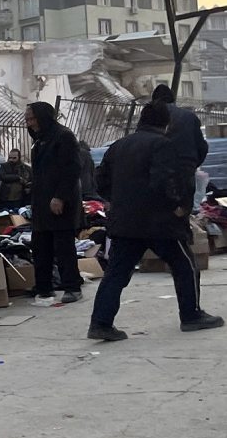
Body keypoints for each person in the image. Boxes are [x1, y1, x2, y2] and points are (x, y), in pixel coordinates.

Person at [87, 101, 223, 341]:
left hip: (125, 222)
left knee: (116, 273)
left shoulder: (118, 146)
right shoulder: (163, 145)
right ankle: (191, 315)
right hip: (160, 223)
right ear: (166, 123)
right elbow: (165, 181)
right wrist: (178, 206)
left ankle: (100, 323)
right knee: (184, 266)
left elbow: (101, 181)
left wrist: (118, 201)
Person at [26, 102, 84, 305]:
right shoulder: (39, 140)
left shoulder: (63, 136)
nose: (29, 123)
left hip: (60, 203)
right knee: (41, 247)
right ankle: (43, 287)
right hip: (42, 203)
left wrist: (60, 196)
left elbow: (72, 169)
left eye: (32, 118)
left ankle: (72, 286)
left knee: (63, 247)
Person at [153, 84, 209, 205]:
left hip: (159, 171)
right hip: (185, 168)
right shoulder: (190, 117)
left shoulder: (151, 117)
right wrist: (192, 163)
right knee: (183, 209)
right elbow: (202, 147)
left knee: (162, 208)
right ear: (173, 99)